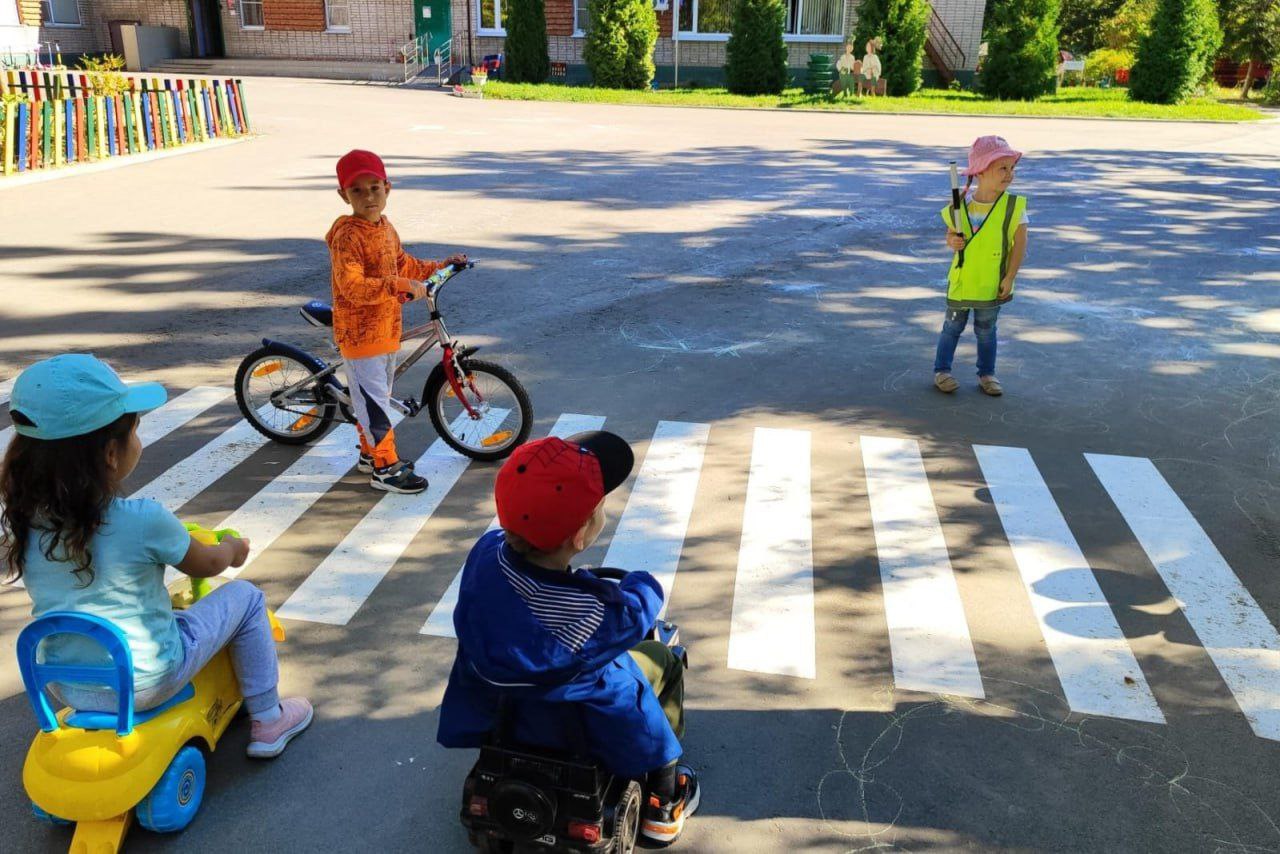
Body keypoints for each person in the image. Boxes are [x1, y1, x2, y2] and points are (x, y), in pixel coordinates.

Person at [1, 354, 312, 758]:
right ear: (111, 454)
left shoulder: (23, 519)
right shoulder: (145, 519)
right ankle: (269, 719)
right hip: (148, 680)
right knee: (246, 599)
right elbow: (209, 564)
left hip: (66, 687)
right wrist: (232, 549)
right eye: (135, 430)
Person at [437, 432, 701, 845]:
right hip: (582, 720)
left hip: (498, 701)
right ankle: (664, 800)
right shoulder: (594, 615)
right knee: (659, 660)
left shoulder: (485, 555)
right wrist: (640, 582)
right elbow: (639, 606)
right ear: (581, 537)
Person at [328, 149, 468, 494]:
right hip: (361, 334)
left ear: (387, 188)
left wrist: (438, 266)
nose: (368, 197)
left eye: (374, 187)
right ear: (343, 195)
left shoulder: (384, 227)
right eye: (357, 190)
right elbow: (353, 286)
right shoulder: (348, 236)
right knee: (375, 402)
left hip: (386, 328)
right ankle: (385, 468)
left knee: (375, 396)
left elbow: (401, 262)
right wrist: (401, 286)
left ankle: (368, 454)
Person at [933, 136, 1028, 396]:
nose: (1010, 175)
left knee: (986, 331)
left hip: (991, 282)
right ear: (981, 171)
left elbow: (1019, 244)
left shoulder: (1013, 207)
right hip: (962, 281)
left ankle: (987, 374)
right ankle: (942, 371)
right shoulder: (960, 205)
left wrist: (1010, 277)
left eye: (1012, 168)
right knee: (951, 327)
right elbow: (951, 235)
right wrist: (952, 240)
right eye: (1003, 168)